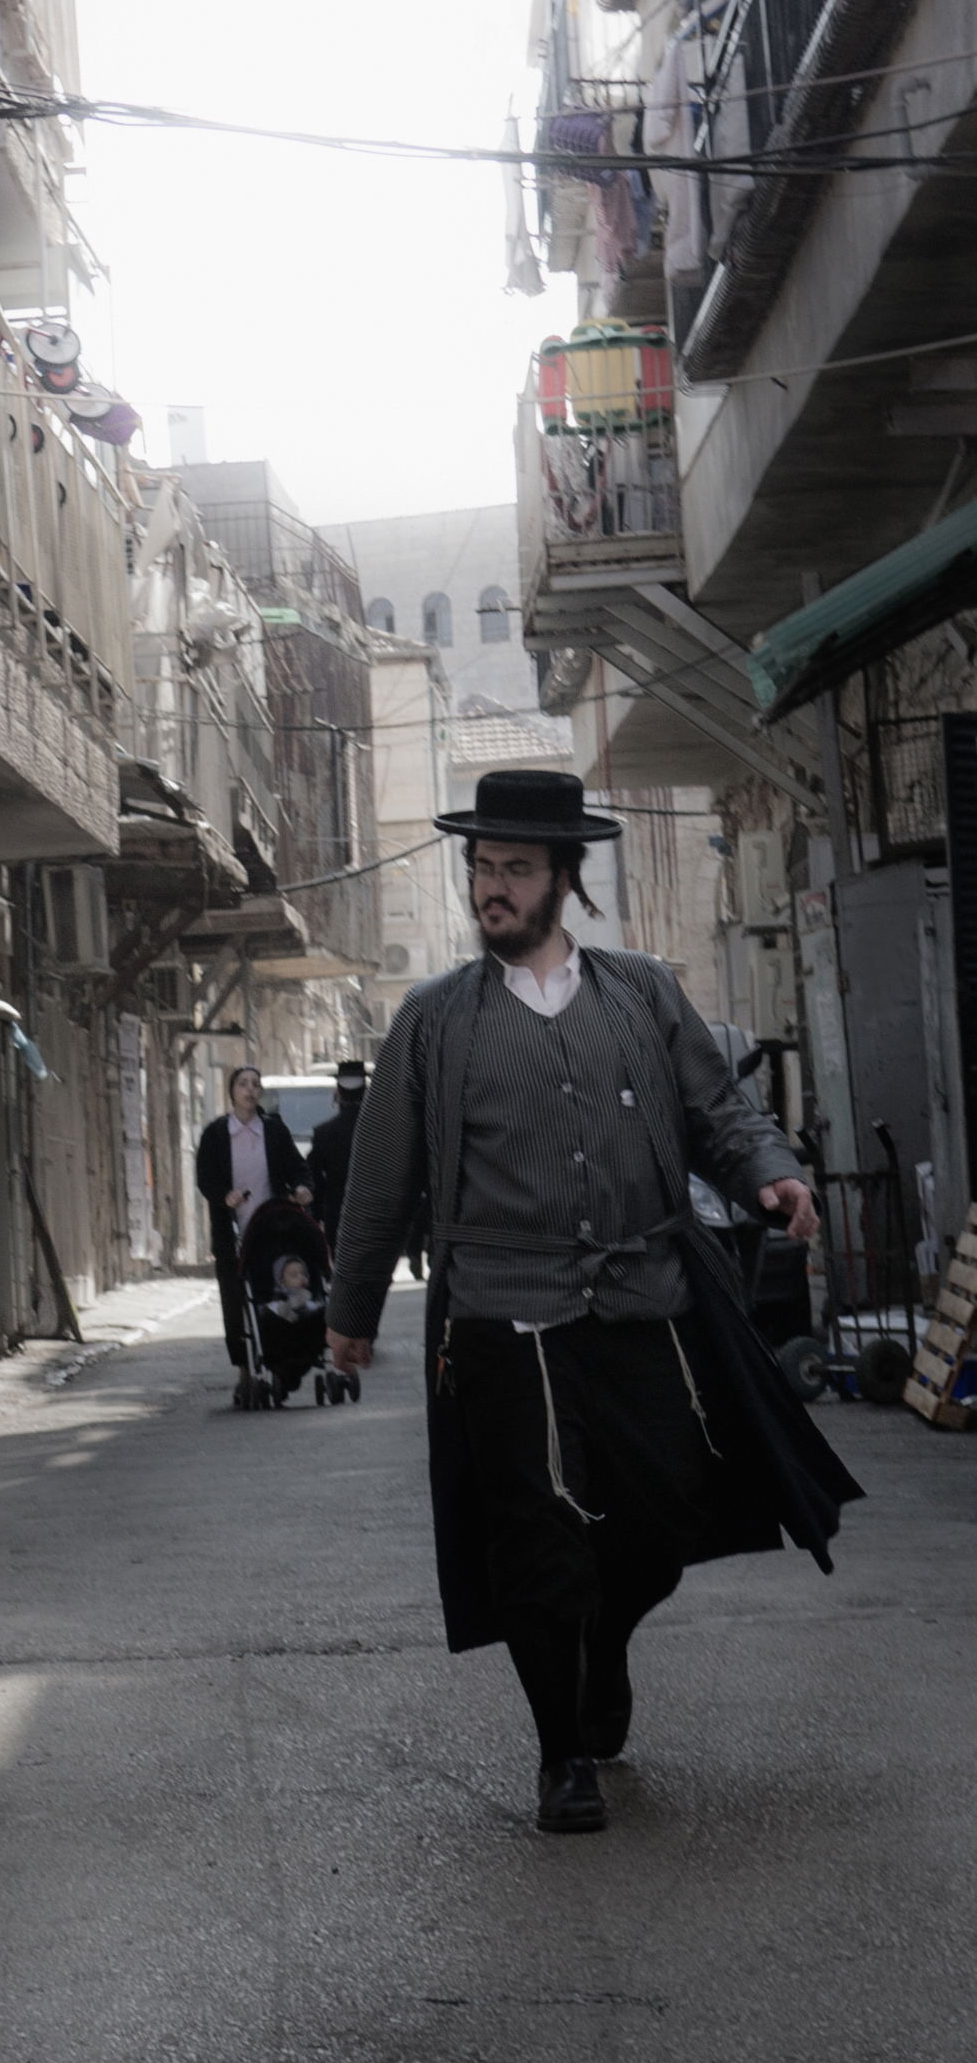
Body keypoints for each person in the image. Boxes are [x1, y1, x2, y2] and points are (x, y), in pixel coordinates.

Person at [324, 770, 860, 1835]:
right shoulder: (435, 1021)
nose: (491, 887)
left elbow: (719, 1108)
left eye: (513, 868)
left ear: (562, 879)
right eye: (480, 867)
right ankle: (559, 1751)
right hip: (499, 1307)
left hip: (641, 1292)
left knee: (664, 1511)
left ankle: (602, 1639)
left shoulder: (642, 992)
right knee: (536, 1529)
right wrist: (345, 1315)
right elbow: (380, 1180)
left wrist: (771, 1168)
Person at [195, 1065, 314, 1407]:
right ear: (231, 1091)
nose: (250, 1090)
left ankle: (280, 1363)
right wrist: (223, 1196)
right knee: (236, 1303)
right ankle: (245, 1372)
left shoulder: (273, 1131)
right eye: (243, 1084)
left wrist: (304, 1187)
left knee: (272, 1296)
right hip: (233, 1234)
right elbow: (205, 1178)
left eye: (255, 1085)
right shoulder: (217, 1134)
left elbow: (297, 1167)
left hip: (272, 1231)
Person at [304, 1060, 369, 1245]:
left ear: (338, 1094)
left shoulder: (324, 1133)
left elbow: (314, 1178)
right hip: (377, 1217)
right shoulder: (383, 1131)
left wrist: (315, 1218)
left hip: (338, 1216)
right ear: (366, 1093)